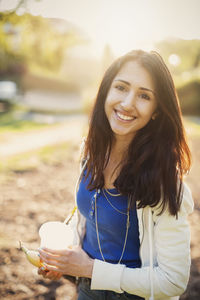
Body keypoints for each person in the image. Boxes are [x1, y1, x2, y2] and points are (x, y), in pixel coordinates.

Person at [38, 49, 194, 300]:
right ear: (106, 92)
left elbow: (173, 280)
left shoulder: (167, 183)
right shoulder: (90, 151)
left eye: (144, 95)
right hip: (87, 290)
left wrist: (88, 268)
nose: (127, 103)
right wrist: (66, 258)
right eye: (121, 87)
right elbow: (89, 217)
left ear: (156, 110)